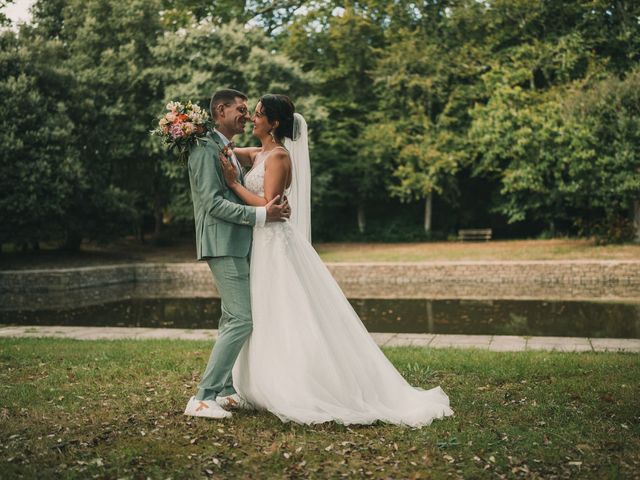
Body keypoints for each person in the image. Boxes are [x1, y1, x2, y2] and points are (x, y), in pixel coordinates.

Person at [219, 94, 453, 426]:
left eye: (257, 115)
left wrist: (231, 183)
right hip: (261, 246)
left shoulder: (280, 157)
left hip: (274, 244)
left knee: (285, 310)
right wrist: (198, 134)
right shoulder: (261, 153)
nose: (252, 120)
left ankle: (299, 382)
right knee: (264, 310)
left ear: (273, 123)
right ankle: (259, 381)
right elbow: (227, 150)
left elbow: (267, 207)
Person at [183, 89, 290, 419]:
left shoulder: (222, 146)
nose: (246, 115)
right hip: (222, 243)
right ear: (220, 110)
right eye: (241, 110)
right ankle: (203, 398)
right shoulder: (204, 147)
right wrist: (263, 215)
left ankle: (227, 392)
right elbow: (212, 204)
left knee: (232, 317)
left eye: (250, 111)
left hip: (238, 242)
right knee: (242, 319)